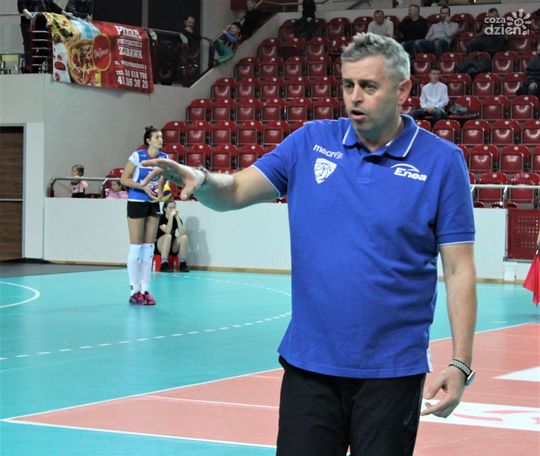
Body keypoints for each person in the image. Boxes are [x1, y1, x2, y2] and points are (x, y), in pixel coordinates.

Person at [144, 32, 477, 455]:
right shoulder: (310, 142)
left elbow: (459, 268)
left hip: (392, 371)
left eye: (369, 86)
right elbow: (236, 190)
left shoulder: (442, 162)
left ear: (403, 89)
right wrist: (203, 180)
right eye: (348, 85)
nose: (355, 97)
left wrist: (461, 362)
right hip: (310, 366)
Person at [120, 126, 168, 306]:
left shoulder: (164, 158)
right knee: (136, 248)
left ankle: (145, 291)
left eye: (161, 137)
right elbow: (124, 179)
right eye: (157, 137)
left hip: (153, 202)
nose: (161, 139)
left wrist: (160, 192)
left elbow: (163, 179)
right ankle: (134, 291)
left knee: (149, 248)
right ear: (148, 140)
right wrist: (143, 186)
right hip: (137, 201)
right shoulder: (137, 156)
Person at [17, 0, 73, 73]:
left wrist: (64, 13)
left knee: (46, 47)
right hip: (29, 22)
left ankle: (33, 68)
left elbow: (52, 5)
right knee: (29, 46)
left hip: (42, 23)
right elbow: (21, 4)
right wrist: (25, 12)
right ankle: (28, 68)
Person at [155, 200, 190, 272]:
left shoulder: (176, 219)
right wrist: (171, 216)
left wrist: (177, 218)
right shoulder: (161, 218)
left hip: (172, 246)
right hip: (160, 246)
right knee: (168, 236)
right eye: (170, 208)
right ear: (165, 209)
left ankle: (182, 264)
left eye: (174, 207)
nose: (173, 209)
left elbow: (182, 232)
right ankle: (164, 264)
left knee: (184, 237)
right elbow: (168, 231)